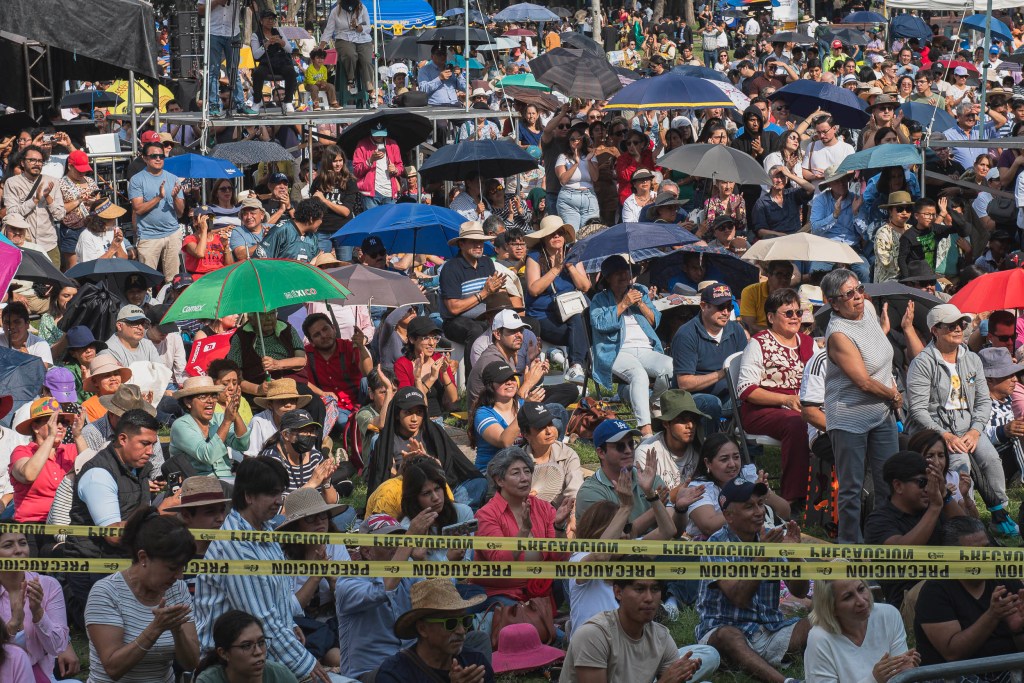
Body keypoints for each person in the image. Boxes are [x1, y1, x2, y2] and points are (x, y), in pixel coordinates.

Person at [195, 457, 334, 683]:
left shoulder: (266, 531)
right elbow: (261, 617)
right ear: (249, 496)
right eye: (272, 494)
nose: (278, 501)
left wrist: (290, 624)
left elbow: (276, 599)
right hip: (227, 664)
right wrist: (308, 665)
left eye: (280, 493)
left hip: (260, 653)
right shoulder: (235, 546)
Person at [906, 303, 1016, 536]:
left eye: (961, 324)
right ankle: (965, 522)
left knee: (992, 460)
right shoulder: (923, 363)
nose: (959, 329)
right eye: (952, 325)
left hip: (968, 426)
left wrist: (976, 431)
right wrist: (944, 436)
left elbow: (983, 402)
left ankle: (1001, 516)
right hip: (935, 429)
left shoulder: (972, 359)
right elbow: (917, 410)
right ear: (935, 330)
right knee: (960, 465)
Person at [695, 478, 810, 683]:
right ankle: (784, 682)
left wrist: (794, 554)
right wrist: (763, 556)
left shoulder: (769, 537)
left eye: (760, 504)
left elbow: (800, 591)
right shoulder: (716, 544)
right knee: (728, 636)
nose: (759, 512)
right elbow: (740, 598)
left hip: (769, 629)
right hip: (727, 631)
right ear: (729, 516)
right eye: (749, 507)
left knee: (818, 622)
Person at [819, 269, 901, 544]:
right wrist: (892, 394)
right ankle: (850, 546)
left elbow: (876, 344)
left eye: (859, 289)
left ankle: (885, 538)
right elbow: (863, 382)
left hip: (880, 412)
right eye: (849, 294)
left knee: (889, 481)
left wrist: (884, 328)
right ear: (833, 302)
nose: (858, 296)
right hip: (849, 415)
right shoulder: (838, 335)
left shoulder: (867, 307)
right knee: (851, 488)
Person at [63, 409, 161, 628]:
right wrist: (162, 513)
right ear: (122, 439)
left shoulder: (140, 468)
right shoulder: (98, 474)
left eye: (153, 444)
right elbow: (114, 536)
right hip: (94, 568)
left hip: (125, 562)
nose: (150, 451)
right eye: (144, 443)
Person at [85, 507, 200, 683]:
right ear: (143, 557)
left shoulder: (178, 589)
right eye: (172, 568)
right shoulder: (106, 592)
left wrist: (177, 630)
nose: (179, 576)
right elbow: (113, 668)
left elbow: (191, 663)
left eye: (183, 567)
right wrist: (156, 628)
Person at [914, 516, 1024, 671]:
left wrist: (1018, 630)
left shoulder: (1006, 580)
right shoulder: (934, 592)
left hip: (1007, 671)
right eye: (974, 553)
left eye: (987, 549)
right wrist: (992, 615)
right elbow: (953, 654)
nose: (985, 558)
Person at [736, 288, 815, 504]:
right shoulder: (759, 343)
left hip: (804, 407)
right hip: (762, 410)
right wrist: (785, 399)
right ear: (771, 317)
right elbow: (746, 389)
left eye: (798, 313)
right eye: (788, 313)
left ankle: (824, 490)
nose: (795, 318)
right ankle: (793, 499)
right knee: (798, 424)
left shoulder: (808, 343)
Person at [563, 573, 717, 683]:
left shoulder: (661, 636)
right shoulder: (593, 635)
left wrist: (680, 674)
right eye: (639, 589)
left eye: (655, 589)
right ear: (618, 592)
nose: (649, 598)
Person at [863, 451, 965, 610]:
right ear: (898, 486)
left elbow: (967, 532)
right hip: (908, 599)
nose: (929, 489)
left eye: (933, 481)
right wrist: (935, 507)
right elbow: (903, 553)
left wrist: (944, 494)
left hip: (948, 584)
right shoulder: (879, 520)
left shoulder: (935, 506)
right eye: (923, 482)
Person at [473, 446, 573, 605]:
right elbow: (500, 563)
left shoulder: (544, 508)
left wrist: (560, 527)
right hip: (502, 594)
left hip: (542, 588)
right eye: (515, 473)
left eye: (527, 471)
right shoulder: (486, 515)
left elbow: (560, 558)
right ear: (499, 480)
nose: (525, 478)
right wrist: (524, 530)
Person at [364, 386, 485, 508]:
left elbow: (447, 472)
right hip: (409, 493)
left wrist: (427, 461)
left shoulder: (433, 433)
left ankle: (453, 508)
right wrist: (406, 465)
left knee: (480, 483)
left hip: (440, 489)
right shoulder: (388, 440)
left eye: (419, 412)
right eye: (408, 413)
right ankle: (454, 510)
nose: (414, 419)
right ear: (397, 414)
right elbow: (389, 482)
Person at [590, 255, 669, 436]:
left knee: (670, 368)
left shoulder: (639, 290)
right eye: (617, 273)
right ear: (607, 278)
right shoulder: (599, 299)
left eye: (625, 271)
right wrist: (624, 304)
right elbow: (600, 324)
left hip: (645, 348)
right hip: (616, 350)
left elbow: (655, 320)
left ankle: (654, 403)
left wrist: (640, 303)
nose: (623, 276)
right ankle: (646, 430)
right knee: (639, 375)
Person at [804, 577, 920, 682]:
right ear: (831, 607)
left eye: (861, 589)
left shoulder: (889, 615)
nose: (861, 601)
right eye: (848, 597)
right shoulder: (819, 638)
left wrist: (905, 671)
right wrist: (874, 679)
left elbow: (900, 676)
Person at [374, 579, 492, 683]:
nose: (461, 631)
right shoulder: (395, 673)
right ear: (422, 629)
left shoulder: (475, 665)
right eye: (450, 623)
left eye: (466, 621)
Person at [0, 530, 75, 683]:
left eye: (23, 543)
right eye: (8, 545)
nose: (19, 550)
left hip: (41, 673)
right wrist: (14, 624)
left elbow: (58, 647)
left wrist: (38, 612)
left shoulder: (48, 585)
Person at [524, 216, 591, 384]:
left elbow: (585, 286)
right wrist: (556, 269)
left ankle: (574, 366)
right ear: (544, 238)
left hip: (572, 314)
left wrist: (569, 267)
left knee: (579, 319)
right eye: (552, 234)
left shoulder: (572, 255)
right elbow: (533, 289)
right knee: (579, 331)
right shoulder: (535, 257)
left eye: (560, 233)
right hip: (544, 315)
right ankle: (574, 365)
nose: (557, 237)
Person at [672, 283, 747, 433]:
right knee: (710, 403)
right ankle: (710, 450)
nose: (726, 312)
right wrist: (722, 373)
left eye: (729, 306)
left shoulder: (736, 329)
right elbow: (684, 383)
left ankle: (749, 454)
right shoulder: (686, 334)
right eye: (720, 307)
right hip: (693, 398)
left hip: (729, 395)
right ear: (703, 306)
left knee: (754, 396)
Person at [10, 398, 82, 536]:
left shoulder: (72, 450)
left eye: (64, 422)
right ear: (35, 427)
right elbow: (28, 475)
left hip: (65, 524)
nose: (60, 426)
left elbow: (92, 475)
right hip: (31, 526)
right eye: (54, 422)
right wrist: (51, 437)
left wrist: (78, 436)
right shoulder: (22, 451)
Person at [169, 376, 248, 479]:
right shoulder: (181, 425)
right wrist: (227, 421)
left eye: (213, 396)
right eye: (203, 397)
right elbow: (208, 455)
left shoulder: (219, 419)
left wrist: (235, 412)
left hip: (227, 479)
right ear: (188, 402)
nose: (210, 401)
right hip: (198, 484)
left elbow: (242, 444)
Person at [129, 142, 185, 282]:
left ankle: (171, 303)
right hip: (149, 237)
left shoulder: (173, 178)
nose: (159, 159)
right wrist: (159, 198)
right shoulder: (137, 180)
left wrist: (174, 198)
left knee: (173, 281)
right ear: (145, 158)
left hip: (172, 234)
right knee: (147, 281)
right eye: (154, 156)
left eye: (161, 156)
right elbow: (138, 209)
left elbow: (180, 213)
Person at [300, 312, 372, 421]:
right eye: (317, 334)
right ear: (311, 342)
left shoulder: (349, 346)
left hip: (359, 400)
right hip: (331, 406)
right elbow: (301, 381)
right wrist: (322, 393)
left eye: (325, 329)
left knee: (366, 381)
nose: (323, 335)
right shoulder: (306, 355)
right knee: (341, 420)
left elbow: (369, 372)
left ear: (334, 329)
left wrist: (361, 347)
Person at [439, 221, 500, 346]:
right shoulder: (451, 268)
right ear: (461, 244)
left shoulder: (487, 262)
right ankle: (472, 366)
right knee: (475, 330)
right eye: (473, 241)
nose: (479, 245)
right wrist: (484, 293)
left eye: (481, 242)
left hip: (485, 317)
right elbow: (454, 308)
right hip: (455, 322)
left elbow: (493, 294)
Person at [2, 145, 65, 264]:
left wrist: (48, 198)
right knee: (26, 282)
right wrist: (35, 200)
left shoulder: (52, 182)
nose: (37, 164)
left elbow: (60, 215)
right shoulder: (12, 183)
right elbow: (12, 213)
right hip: (22, 244)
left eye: (40, 161)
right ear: (22, 162)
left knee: (52, 282)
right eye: (32, 160)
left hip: (49, 245)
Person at [195, 610, 299, 683]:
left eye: (261, 642)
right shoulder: (209, 680)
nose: (258, 652)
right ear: (223, 653)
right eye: (246, 646)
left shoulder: (280, 675)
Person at [227, 312, 307, 401]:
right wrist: (258, 389)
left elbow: (301, 360)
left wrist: (277, 364)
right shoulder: (240, 336)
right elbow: (235, 376)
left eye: (272, 313)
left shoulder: (287, 328)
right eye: (262, 315)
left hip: (292, 384)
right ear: (251, 319)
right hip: (259, 391)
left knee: (315, 404)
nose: (268, 318)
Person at [519, 401, 584, 507]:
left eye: (550, 424)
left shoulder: (568, 454)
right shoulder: (516, 461)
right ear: (525, 434)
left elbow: (575, 492)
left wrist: (571, 514)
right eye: (540, 427)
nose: (549, 431)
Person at [394, 317, 457, 421]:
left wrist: (444, 373)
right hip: (414, 421)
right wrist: (432, 378)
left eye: (434, 337)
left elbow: (453, 398)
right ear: (412, 339)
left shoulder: (439, 359)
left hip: (438, 419)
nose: (432, 343)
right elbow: (410, 402)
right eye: (426, 338)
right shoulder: (402, 364)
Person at [321, 0, 373, 99]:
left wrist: (358, 27)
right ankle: (351, 79)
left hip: (362, 39)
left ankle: (369, 87)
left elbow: (368, 28)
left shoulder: (363, 9)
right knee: (350, 54)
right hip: (344, 38)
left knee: (366, 60)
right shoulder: (335, 11)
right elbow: (328, 30)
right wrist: (321, 46)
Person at [250, 11, 297, 113]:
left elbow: (289, 50)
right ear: (261, 21)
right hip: (266, 62)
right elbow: (256, 55)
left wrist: (281, 42)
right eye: (268, 19)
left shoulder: (279, 31)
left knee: (291, 72)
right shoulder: (255, 35)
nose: (270, 21)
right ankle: (257, 101)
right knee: (258, 73)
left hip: (280, 61)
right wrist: (266, 44)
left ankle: (287, 102)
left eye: (272, 19)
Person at [555, 128, 600, 230]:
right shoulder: (563, 157)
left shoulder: (590, 156)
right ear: (568, 141)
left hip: (588, 197)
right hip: (568, 198)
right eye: (572, 139)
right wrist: (576, 163)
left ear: (583, 140)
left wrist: (588, 160)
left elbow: (595, 177)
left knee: (590, 233)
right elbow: (563, 180)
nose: (576, 141)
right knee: (572, 235)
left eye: (579, 139)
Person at [352, 125, 403, 210]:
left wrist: (395, 170)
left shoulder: (393, 144)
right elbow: (356, 170)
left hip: (390, 192)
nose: (379, 136)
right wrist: (370, 161)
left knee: (388, 222)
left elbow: (400, 166)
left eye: (381, 133)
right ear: (371, 131)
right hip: (370, 194)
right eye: (376, 134)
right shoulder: (362, 145)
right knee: (372, 221)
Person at [262, 198, 324, 263]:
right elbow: (262, 260)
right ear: (311, 219)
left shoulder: (312, 237)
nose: (321, 222)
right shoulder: (281, 230)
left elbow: (315, 260)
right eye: (321, 218)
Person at [739, 260, 794, 334]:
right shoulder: (751, 292)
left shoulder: (792, 297)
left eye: (787, 275)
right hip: (756, 337)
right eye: (779, 274)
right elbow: (749, 326)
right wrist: (778, 332)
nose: (784, 279)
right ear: (769, 275)